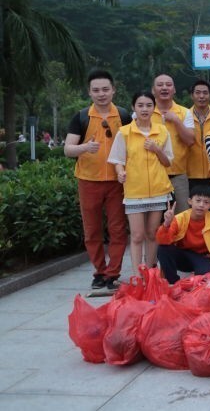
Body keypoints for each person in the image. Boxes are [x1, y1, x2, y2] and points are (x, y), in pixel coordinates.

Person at [64, 70, 131, 289]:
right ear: (89, 92)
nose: (101, 94)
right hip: (88, 180)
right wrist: (86, 147)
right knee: (92, 230)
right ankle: (99, 271)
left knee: (118, 229)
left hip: (117, 181)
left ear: (113, 90)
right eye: (96, 90)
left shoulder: (123, 116)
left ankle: (113, 273)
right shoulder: (81, 117)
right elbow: (68, 149)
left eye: (105, 89)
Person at [107, 91, 174, 273]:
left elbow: (168, 161)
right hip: (135, 192)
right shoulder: (125, 132)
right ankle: (138, 275)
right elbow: (117, 160)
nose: (145, 109)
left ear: (154, 108)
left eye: (149, 105)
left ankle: (150, 272)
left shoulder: (162, 131)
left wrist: (156, 149)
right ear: (133, 107)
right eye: (140, 105)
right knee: (137, 235)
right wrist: (120, 173)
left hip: (159, 190)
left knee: (153, 234)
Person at [156, 184, 210, 284]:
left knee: (206, 279)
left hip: (203, 257)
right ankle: (173, 283)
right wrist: (166, 224)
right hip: (183, 255)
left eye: (206, 202)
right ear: (190, 201)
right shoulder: (180, 218)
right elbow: (162, 241)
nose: (201, 205)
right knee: (163, 249)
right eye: (198, 201)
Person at [151, 74, 195, 213]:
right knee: (154, 220)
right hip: (151, 175)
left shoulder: (185, 112)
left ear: (174, 89)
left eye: (168, 85)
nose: (164, 88)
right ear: (153, 90)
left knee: (182, 217)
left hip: (178, 175)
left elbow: (190, 141)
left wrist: (176, 120)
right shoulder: (144, 112)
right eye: (160, 85)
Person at [186, 79, 210, 210]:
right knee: (193, 213)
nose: (201, 96)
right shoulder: (183, 115)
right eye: (198, 93)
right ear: (192, 95)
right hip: (190, 173)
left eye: (205, 93)